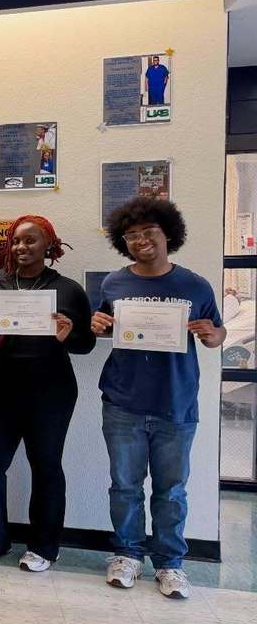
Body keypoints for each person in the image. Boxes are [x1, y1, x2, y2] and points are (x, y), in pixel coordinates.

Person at [91, 198, 224, 599]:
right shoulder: (114, 284)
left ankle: (170, 564)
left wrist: (209, 334)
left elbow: (218, 335)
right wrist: (97, 325)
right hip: (122, 401)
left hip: (176, 402)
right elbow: (103, 325)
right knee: (125, 486)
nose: (140, 240)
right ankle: (127, 555)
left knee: (171, 490)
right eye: (131, 235)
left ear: (168, 234)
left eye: (149, 232)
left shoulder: (194, 285)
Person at [0, 215, 95, 571]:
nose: (22, 247)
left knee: (46, 465)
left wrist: (70, 334)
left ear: (49, 245)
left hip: (51, 391)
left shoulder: (68, 289)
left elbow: (86, 345)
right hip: (2, 389)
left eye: (31, 240)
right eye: (17, 241)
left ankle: (44, 546)